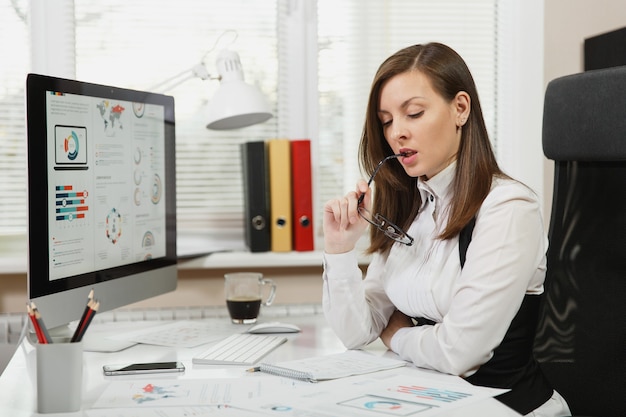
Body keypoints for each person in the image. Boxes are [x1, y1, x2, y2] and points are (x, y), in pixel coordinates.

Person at [322, 43, 571, 417]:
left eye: (414, 113)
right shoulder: (409, 208)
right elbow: (356, 332)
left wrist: (397, 334)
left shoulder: (507, 208)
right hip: (428, 400)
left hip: (505, 408)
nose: (397, 133)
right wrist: (340, 249)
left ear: (460, 108)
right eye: (387, 120)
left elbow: (460, 352)